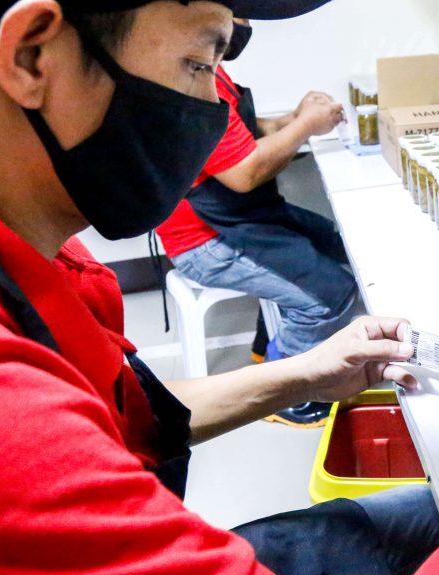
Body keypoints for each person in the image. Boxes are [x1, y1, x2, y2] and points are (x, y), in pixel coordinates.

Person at [0, 1, 439, 574]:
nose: (210, 103)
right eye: (200, 63)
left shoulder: (4, 249)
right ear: (31, 55)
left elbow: (125, 411)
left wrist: (306, 372)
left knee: (434, 508)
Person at [156, 18, 353, 426]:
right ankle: (284, 396)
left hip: (245, 219)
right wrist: (305, 127)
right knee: (330, 294)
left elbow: (243, 130)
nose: (245, 23)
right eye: (238, 13)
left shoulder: (213, 68)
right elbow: (243, 171)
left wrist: (289, 120)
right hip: (206, 240)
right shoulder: (186, 81)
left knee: (337, 243)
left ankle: (270, 351)